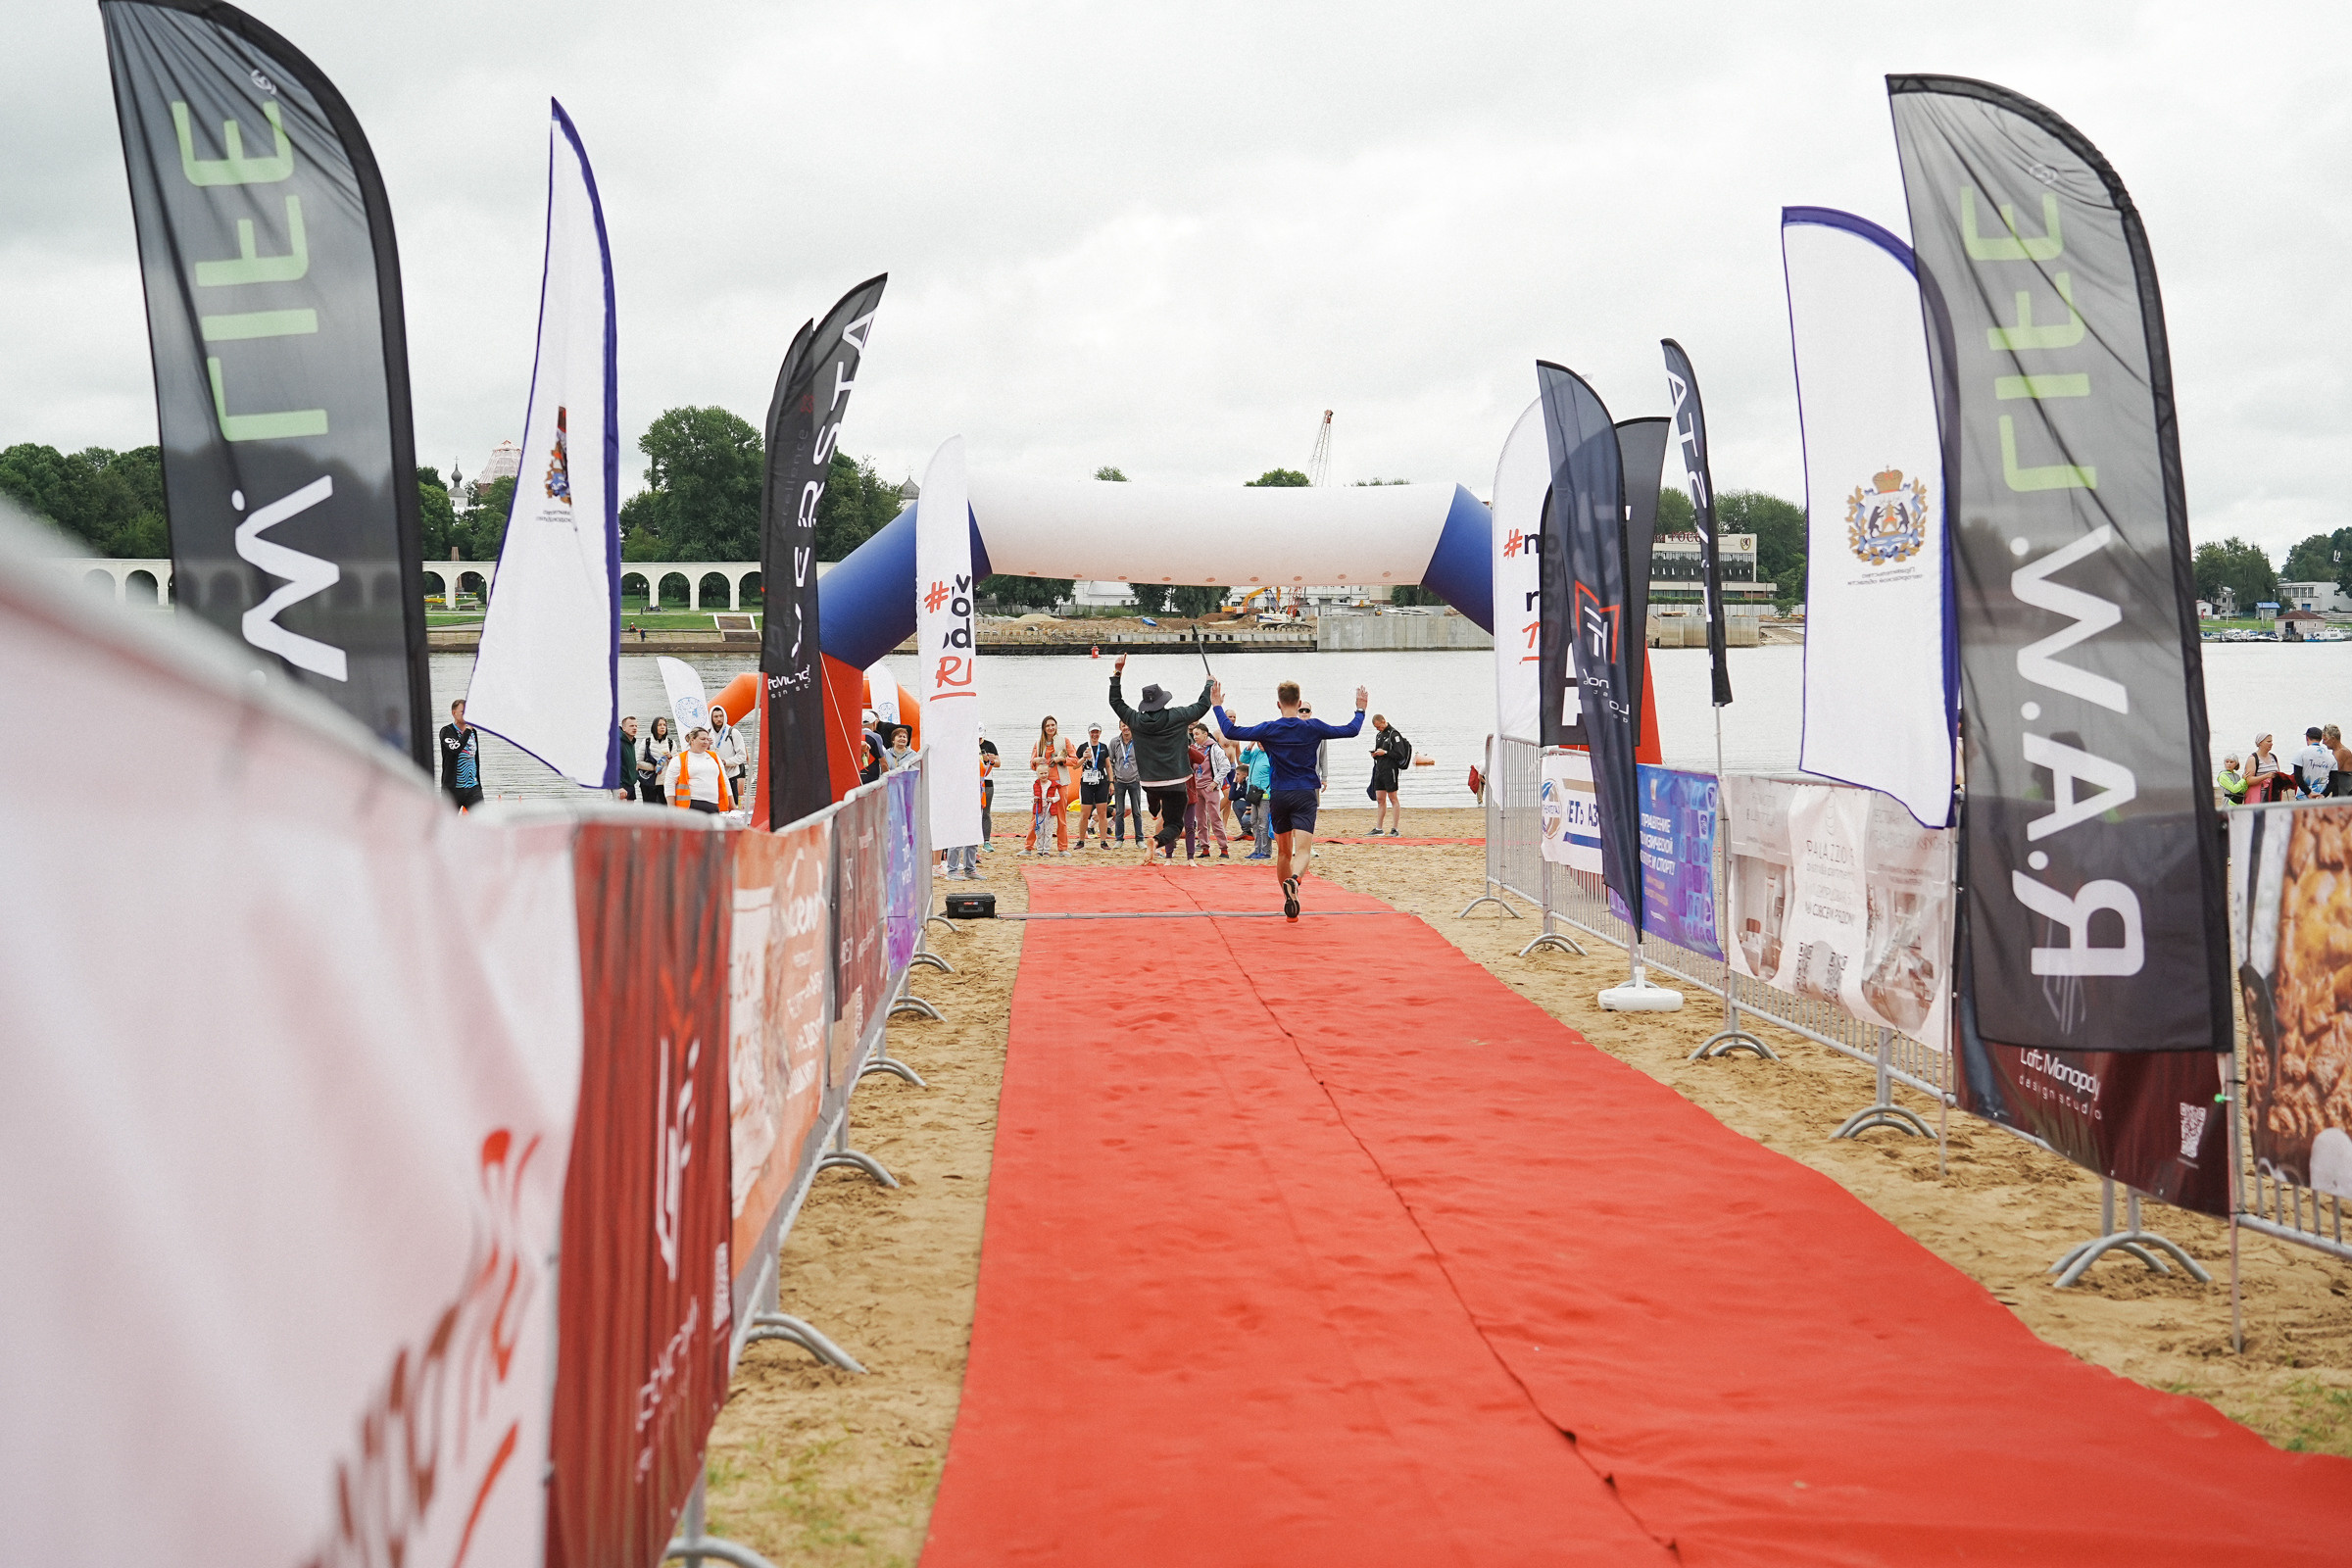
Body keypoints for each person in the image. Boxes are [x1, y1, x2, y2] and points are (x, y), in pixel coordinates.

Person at [1212, 676, 1366, 919]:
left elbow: (1231, 731)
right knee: (1303, 850)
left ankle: (1288, 898)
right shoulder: (1312, 726)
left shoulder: (1270, 728)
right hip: (1305, 793)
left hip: (1280, 794)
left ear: (1278, 704)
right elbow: (1351, 730)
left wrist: (1217, 706)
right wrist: (1360, 708)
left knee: (1283, 852)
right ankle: (1295, 880)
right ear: (1300, 702)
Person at [1106, 655, 1214, 866]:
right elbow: (1202, 706)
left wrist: (1117, 673)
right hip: (1175, 780)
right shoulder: (1176, 716)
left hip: (1148, 782)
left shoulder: (1135, 719)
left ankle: (1155, 814)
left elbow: (1115, 702)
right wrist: (1209, 684)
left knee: (1157, 803)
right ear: (1163, 701)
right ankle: (1156, 841)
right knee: (1175, 824)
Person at [1025, 716, 1072, 855]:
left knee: (1061, 816)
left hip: (1060, 783)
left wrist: (1061, 759)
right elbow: (1032, 765)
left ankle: (1063, 848)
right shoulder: (1039, 743)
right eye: (1048, 726)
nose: (1051, 728)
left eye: (1053, 725)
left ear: (1056, 726)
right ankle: (1028, 847)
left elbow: (1074, 760)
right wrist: (1035, 760)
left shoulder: (1064, 741)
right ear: (1044, 728)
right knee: (1037, 815)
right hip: (1043, 783)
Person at [1186, 722, 1231, 859]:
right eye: (1194, 735)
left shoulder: (1214, 748)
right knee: (1200, 820)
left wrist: (1215, 782)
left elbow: (1226, 766)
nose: (1195, 737)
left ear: (1205, 734)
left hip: (1210, 787)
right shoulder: (1193, 748)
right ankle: (1205, 848)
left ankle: (1224, 849)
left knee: (1215, 818)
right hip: (1197, 787)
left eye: (1197, 734)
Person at [663, 727, 734, 813]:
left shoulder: (714, 757)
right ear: (692, 740)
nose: (706, 742)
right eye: (702, 739)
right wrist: (671, 808)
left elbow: (725, 780)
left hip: (713, 805)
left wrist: (732, 804)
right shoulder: (679, 759)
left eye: (707, 739)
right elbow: (669, 784)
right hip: (690, 807)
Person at [1368, 713, 1412, 835]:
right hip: (1379, 769)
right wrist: (1375, 754)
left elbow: (1400, 754)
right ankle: (1379, 828)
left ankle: (1395, 828)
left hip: (1390, 770)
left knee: (1393, 798)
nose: (1378, 729)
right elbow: (1379, 751)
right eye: (1376, 728)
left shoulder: (1394, 734)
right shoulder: (1378, 736)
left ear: (1383, 721)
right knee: (1380, 799)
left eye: (1379, 727)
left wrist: (1385, 752)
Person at [438, 698, 483, 811]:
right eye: (463, 712)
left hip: (473, 787)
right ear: (454, 713)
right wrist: (467, 730)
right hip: (453, 790)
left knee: (482, 821)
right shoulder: (446, 731)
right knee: (448, 824)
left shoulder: (473, 733)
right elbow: (456, 748)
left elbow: (475, 758)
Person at [1074, 722, 1113, 848]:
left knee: (1102, 813)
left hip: (1101, 782)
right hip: (1086, 783)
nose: (1095, 734)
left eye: (1097, 732)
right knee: (1084, 814)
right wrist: (1084, 758)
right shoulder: (1083, 747)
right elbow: (1075, 765)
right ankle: (1081, 840)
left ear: (1100, 733)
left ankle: (1103, 841)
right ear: (1089, 733)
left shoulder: (1103, 747)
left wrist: (1111, 782)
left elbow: (1108, 766)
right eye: (1093, 732)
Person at [1109, 721, 1144, 845]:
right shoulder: (1115, 742)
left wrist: (1139, 777)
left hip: (1134, 781)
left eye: (1128, 725)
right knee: (1119, 812)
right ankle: (1119, 839)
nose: (1126, 727)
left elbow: (1144, 760)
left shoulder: (1138, 741)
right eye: (1123, 725)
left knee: (1137, 811)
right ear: (1120, 727)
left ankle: (1139, 839)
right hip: (1119, 782)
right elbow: (1110, 762)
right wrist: (1113, 779)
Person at [710, 704, 748, 806]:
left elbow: (742, 756)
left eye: (721, 716)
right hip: (714, 777)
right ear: (711, 718)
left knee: (733, 806)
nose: (719, 719)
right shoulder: (708, 734)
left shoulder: (733, 732)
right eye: (716, 716)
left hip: (731, 776)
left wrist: (726, 762)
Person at [1242, 741, 1274, 858]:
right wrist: (1250, 746)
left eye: (1262, 742)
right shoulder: (1256, 752)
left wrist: (1270, 790)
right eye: (1259, 742)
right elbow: (1243, 759)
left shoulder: (1272, 754)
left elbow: (1277, 774)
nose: (1261, 744)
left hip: (1266, 794)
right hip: (1254, 793)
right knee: (1254, 821)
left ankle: (1266, 851)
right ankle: (1257, 850)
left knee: (1263, 823)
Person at [2290, 726, 2334, 797]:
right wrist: (2324, 795)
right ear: (2321, 739)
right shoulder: (2331, 756)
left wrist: (2308, 792)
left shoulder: (2301, 753)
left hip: (2303, 795)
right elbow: (2333, 780)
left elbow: (2298, 776)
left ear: (2307, 738)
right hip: (2322, 795)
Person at [639, 715, 673, 806]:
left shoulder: (671, 743)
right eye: (659, 725)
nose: (662, 727)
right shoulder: (646, 742)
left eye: (664, 725)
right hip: (649, 782)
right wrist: (654, 768)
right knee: (650, 811)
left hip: (665, 783)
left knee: (665, 811)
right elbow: (638, 763)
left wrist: (670, 758)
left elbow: (675, 765)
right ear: (654, 727)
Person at [979, 727, 1001, 845]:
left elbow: (998, 763)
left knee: (986, 812)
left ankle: (986, 841)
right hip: (974, 782)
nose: (978, 740)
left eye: (980, 737)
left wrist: (991, 760)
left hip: (987, 781)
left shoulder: (989, 745)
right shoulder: (968, 744)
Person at [615, 715, 641, 802]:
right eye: (631, 726)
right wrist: (619, 787)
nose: (634, 728)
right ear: (624, 728)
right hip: (621, 786)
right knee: (621, 814)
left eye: (636, 726)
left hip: (630, 784)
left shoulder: (631, 742)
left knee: (630, 814)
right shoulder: (618, 743)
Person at [2328, 724, 2352, 797]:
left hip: (2345, 791)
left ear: (2333, 739)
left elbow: (2332, 771)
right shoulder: (2336, 751)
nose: (2323, 742)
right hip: (2340, 789)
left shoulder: (2342, 752)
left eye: (2325, 739)